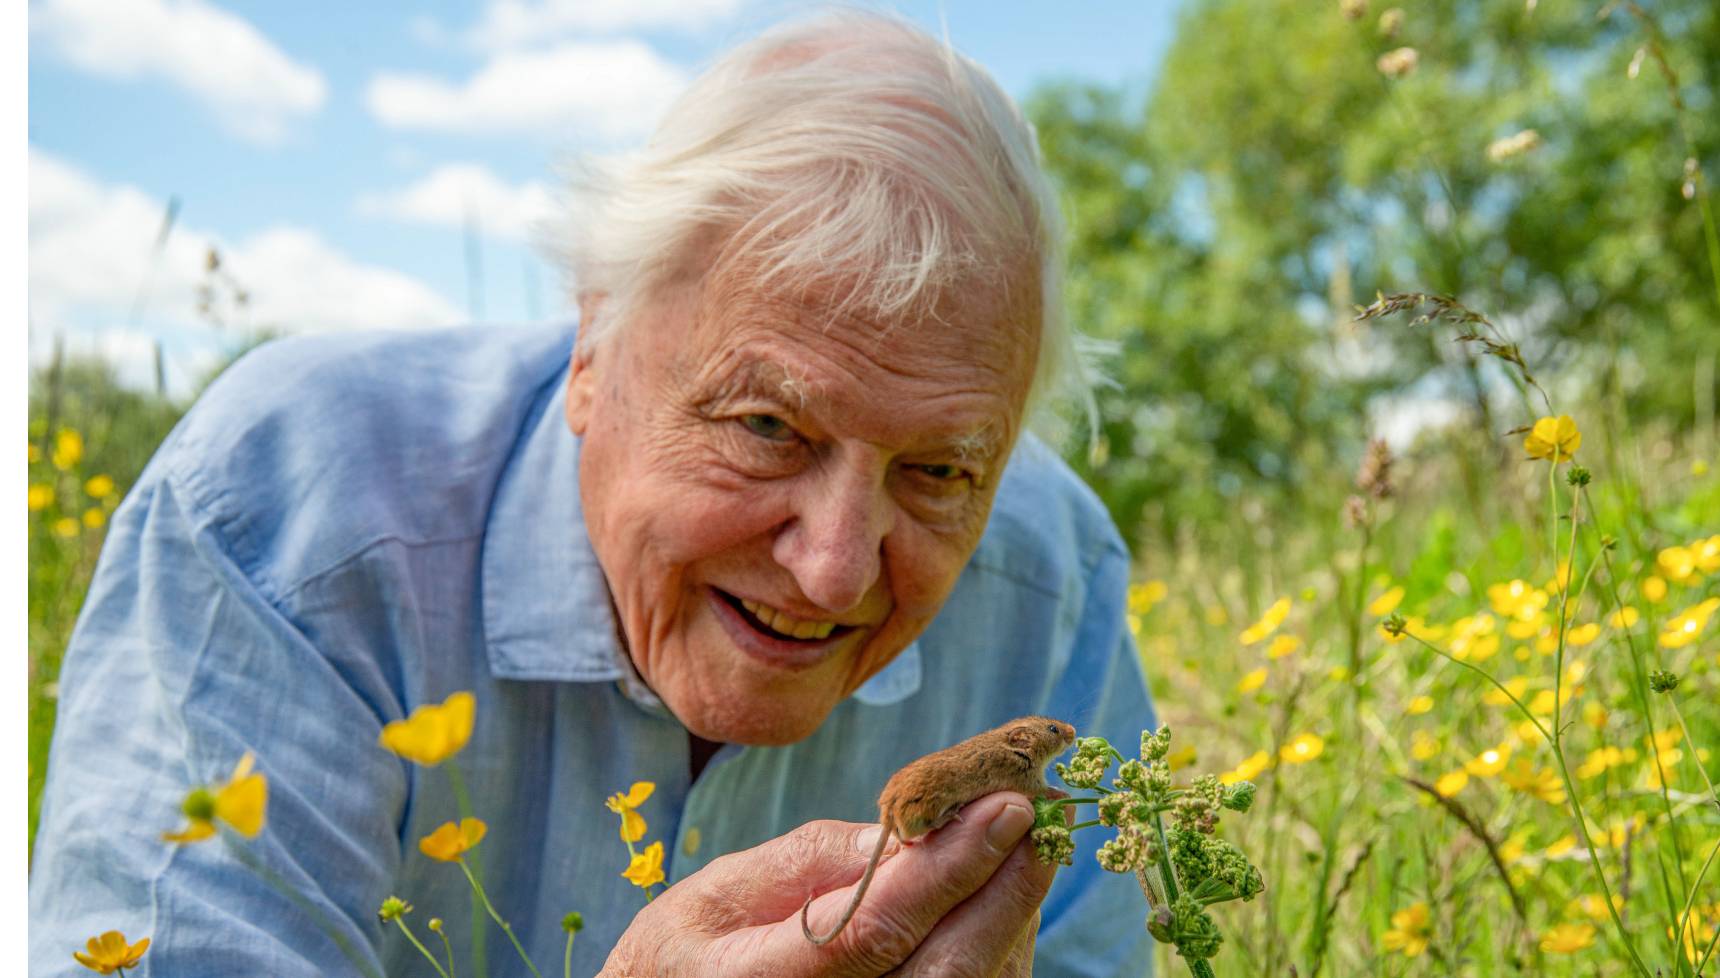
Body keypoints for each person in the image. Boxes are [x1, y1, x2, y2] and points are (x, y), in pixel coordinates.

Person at [29, 11, 1155, 977]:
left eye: (939, 471)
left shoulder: (1054, 583)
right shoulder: (285, 514)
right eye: (767, 428)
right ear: (592, 345)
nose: (834, 568)